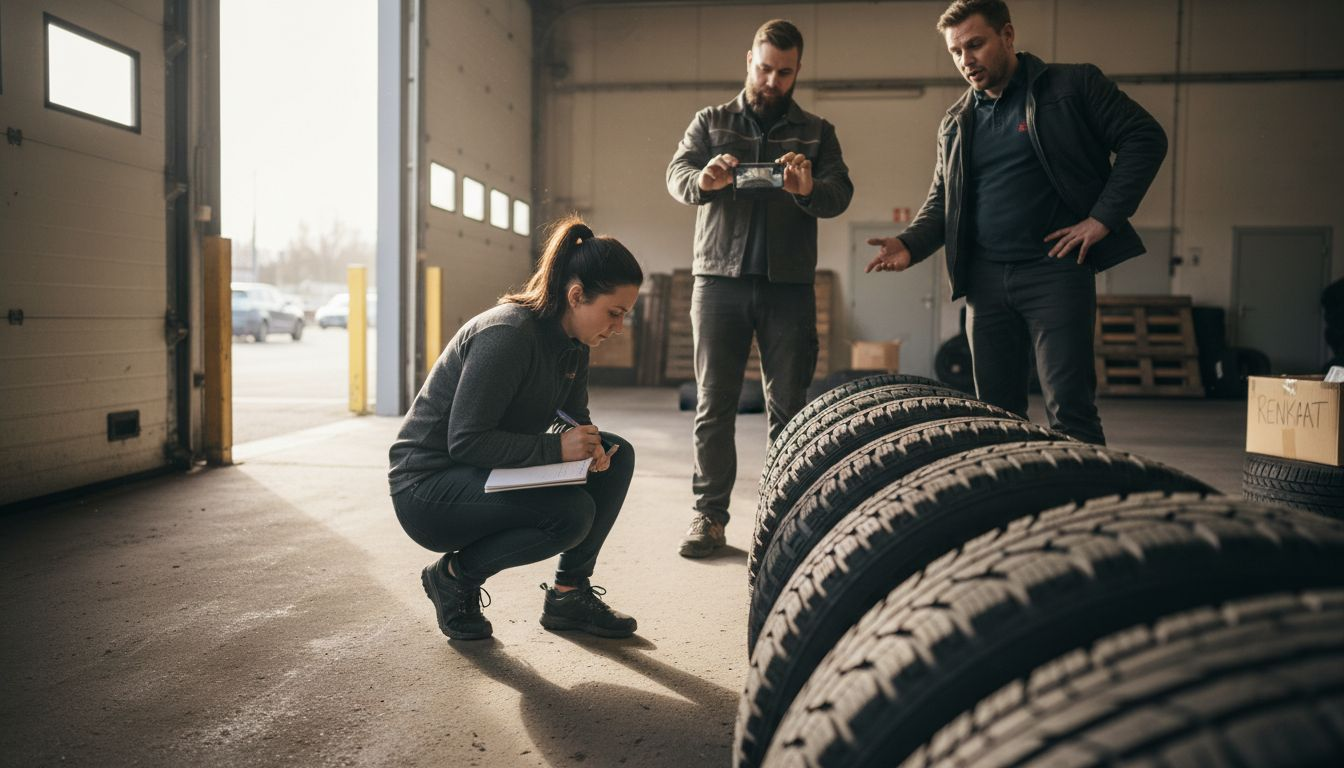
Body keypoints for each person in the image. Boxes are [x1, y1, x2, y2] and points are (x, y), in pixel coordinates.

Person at [866, 0, 1167, 445]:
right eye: (955, 51)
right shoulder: (956, 122)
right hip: (985, 283)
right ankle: (1013, 509)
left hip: (1055, 272)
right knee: (996, 417)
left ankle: (1081, 508)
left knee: (1071, 412)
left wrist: (1102, 218)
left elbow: (1145, 137)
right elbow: (943, 200)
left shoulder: (1072, 85)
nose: (966, 60)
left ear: (1007, 35)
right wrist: (909, 244)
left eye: (975, 44)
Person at [388, 217, 643, 641]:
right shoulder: (508, 333)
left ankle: (568, 596)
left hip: (480, 472)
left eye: (625, 316)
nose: (618, 327)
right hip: (428, 488)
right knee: (570, 515)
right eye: (613, 313)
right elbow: (467, 441)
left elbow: (574, 417)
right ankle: (453, 576)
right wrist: (557, 452)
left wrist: (590, 445)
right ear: (576, 295)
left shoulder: (574, 346)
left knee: (617, 456)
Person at [666, 19, 853, 558]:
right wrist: (704, 179)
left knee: (790, 407)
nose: (772, 80)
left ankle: (785, 514)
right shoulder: (711, 121)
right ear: (748, 58)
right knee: (713, 405)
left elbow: (840, 193)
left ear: (798, 71)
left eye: (784, 72)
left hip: (788, 286)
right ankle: (708, 516)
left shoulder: (817, 132)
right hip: (718, 283)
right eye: (764, 67)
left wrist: (808, 186)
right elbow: (676, 173)